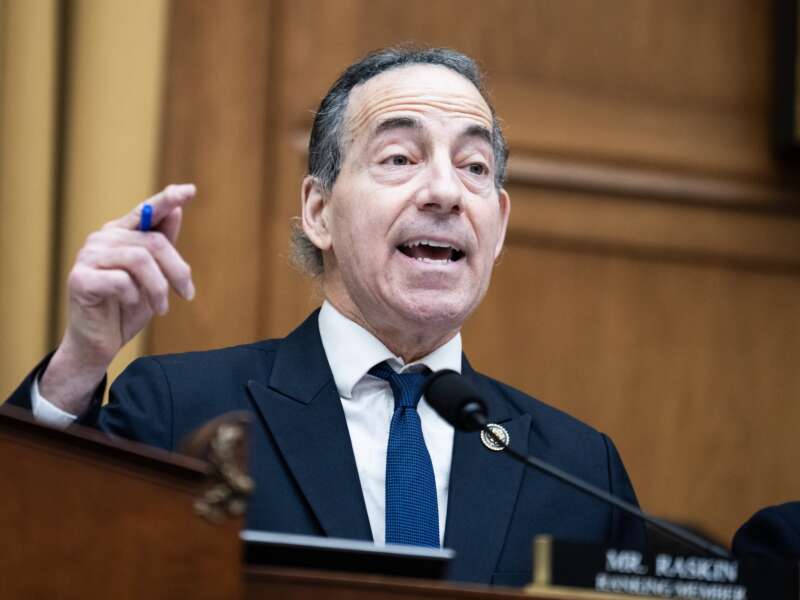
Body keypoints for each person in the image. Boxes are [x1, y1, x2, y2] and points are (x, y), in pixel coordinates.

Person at [6, 46, 645, 585]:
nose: (447, 192)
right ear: (319, 211)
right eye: (400, 158)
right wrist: (79, 364)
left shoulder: (582, 472)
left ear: (498, 226)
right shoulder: (179, 411)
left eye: (473, 168)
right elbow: (32, 556)